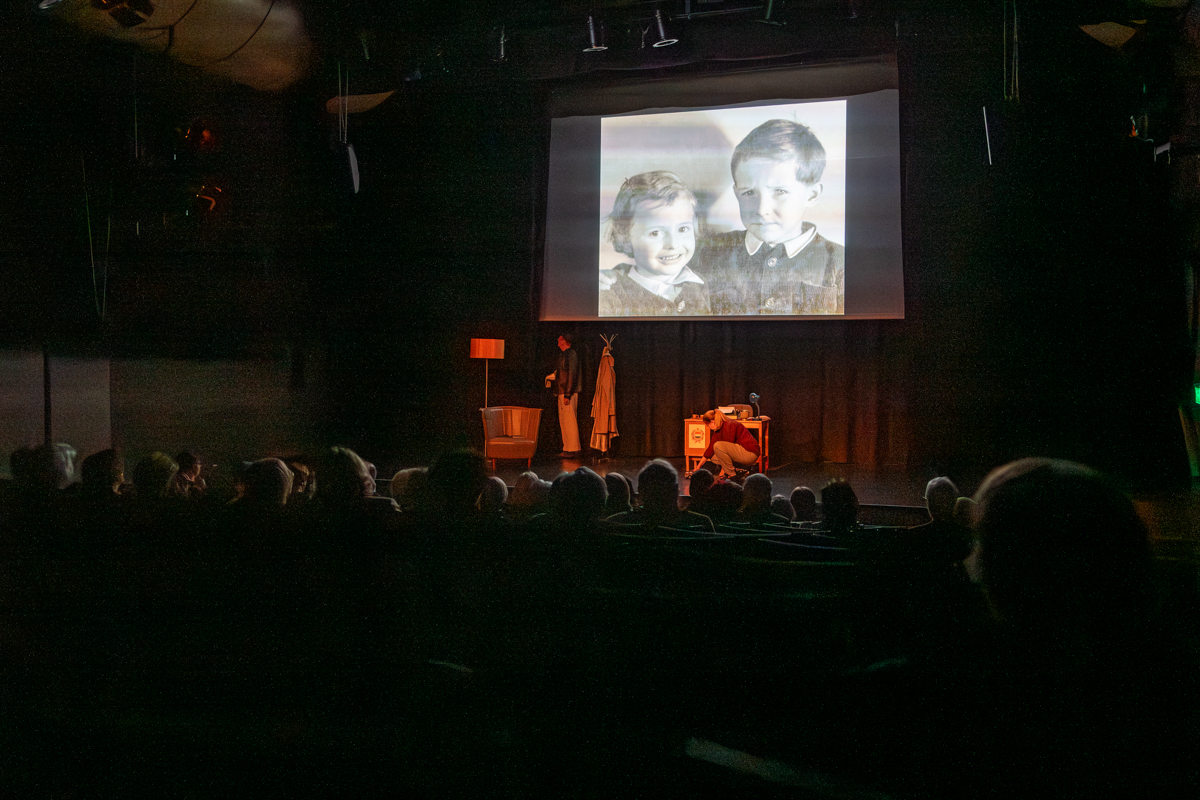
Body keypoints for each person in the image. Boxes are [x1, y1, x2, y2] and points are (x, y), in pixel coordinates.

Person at [703, 119, 845, 315]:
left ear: (812, 195)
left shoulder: (841, 263)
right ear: (736, 193)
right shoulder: (710, 252)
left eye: (779, 191)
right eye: (749, 192)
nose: (762, 209)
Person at [599, 171, 710, 317]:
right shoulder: (609, 291)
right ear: (625, 239)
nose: (673, 244)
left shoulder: (699, 284)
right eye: (656, 233)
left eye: (683, 229)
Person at [546, 334, 582, 457]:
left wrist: (567, 394)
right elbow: (560, 373)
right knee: (564, 421)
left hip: (568, 392)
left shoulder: (571, 354)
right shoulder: (564, 355)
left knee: (570, 421)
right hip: (562, 392)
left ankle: (574, 449)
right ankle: (567, 448)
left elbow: (572, 374)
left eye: (560, 338)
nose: (557, 340)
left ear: (564, 341)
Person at [700, 408, 759, 479]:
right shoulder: (718, 429)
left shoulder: (729, 424)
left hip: (750, 453)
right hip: (740, 452)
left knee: (718, 446)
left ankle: (733, 475)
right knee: (713, 456)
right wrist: (697, 468)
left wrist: (723, 470)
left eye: (708, 425)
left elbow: (727, 445)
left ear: (713, 422)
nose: (709, 427)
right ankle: (737, 470)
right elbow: (709, 451)